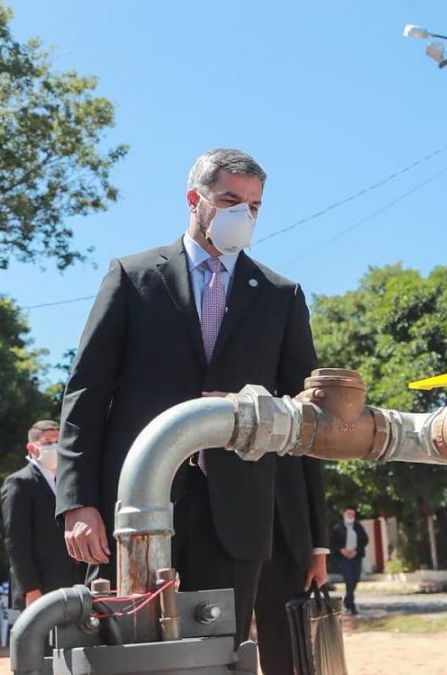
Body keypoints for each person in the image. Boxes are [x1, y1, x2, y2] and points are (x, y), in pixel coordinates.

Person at [56, 148, 326, 646]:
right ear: (193, 199)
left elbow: (304, 417)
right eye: (229, 200)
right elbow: (86, 394)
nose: (242, 215)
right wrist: (78, 502)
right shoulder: (133, 277)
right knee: (129, 651)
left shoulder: (279, 296)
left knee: (218, 652)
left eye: (254, 205)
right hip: (135, 508)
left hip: (236, 511)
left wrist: (315, 538)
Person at [254, 455, 329, 675]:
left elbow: (312, 471)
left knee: (285, 641)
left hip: (286, 536)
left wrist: (319, 551)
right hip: (218, 526)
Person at [0, 420, 84, 609]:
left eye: (57, 441)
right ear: (32, 448)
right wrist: (31, 589)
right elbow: (16, 542)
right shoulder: (19, 483)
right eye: (47, 443)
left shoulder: (69, 481)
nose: (54, 447)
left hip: (75, 585)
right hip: (42, 590)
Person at [330, 505, 369, 614]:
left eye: (352, 514)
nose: (351, 516)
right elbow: (332, 542)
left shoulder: (358, 526)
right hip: (343, 558)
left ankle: (347, 601)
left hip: (356, 557)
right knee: (349, 579)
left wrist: (356, 551)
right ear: (344, 514)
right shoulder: (338, 527)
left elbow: (365, 540)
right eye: (348, 514)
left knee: (355, 579)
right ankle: (350, 605)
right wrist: (341, 550)